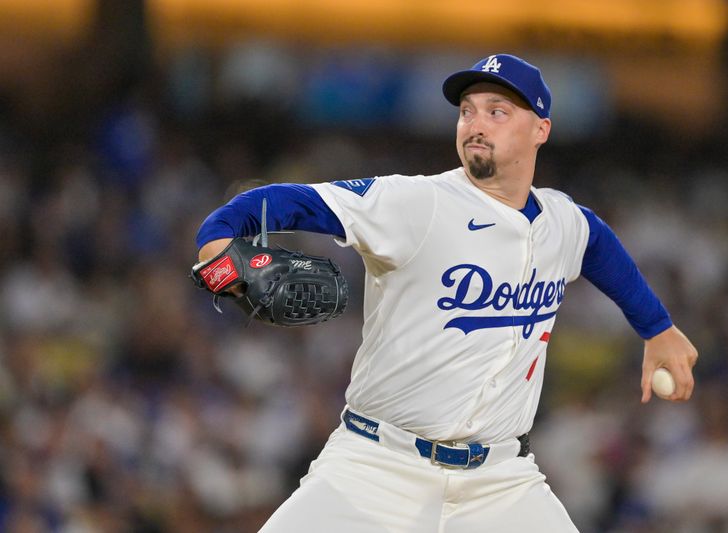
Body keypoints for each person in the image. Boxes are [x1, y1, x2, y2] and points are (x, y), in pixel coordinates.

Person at [194, 53, 699, 532]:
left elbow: (597, 244)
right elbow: (274, 204)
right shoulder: (418, 203)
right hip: (376, 466)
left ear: (540, 130)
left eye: (497, 112)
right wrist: (218, 253)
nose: (476, 124)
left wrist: (657, 327)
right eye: (467, 111)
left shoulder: (562, 221)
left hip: (500, 481)